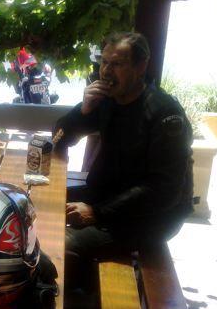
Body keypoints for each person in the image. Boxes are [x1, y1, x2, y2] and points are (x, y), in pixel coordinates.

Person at [54, 32, 194, 287]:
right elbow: (59, 138)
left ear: (141, 67)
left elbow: (165, 191)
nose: (106, 71)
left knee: (61, 243)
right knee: (41, 209)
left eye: (117, 64)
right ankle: (81, 285)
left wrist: (96, 213)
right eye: (104, 62)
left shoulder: (164, 113)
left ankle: (84, 300)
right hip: (108, 197)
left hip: (151, 216)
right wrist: (82, 112)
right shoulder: (107, 100)